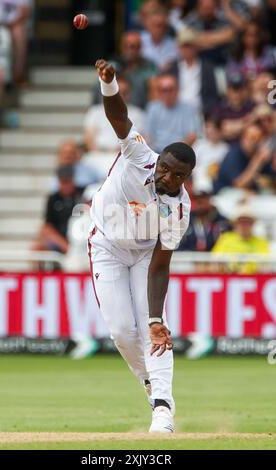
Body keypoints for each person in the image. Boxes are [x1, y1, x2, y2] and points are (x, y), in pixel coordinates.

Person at [89, 59, 196, 433]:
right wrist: (109, 83)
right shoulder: (138, 154)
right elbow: (119, 118)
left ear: (187, 178)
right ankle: (152, 388)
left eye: (177, 175)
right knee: (120, 331)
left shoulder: (179, 209)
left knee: (151, 326)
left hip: (145, 255)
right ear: (160, 159)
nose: (167, 177)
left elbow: (161, 265)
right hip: (106, 246)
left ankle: (163, 408)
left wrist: (154, 319)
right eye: (165, 167)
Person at [32, 165, 84, 256]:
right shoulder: (53, 199)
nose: (66, 186)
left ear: (73, 179)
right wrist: (65, 245)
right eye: (63, 182)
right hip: (60, 240)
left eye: (68, 181)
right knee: (37, 247)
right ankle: (41, 271)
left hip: (81, 238)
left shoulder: (82, 195)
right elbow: (47, 226)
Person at [84, 75, 145, 152]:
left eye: (125, 92)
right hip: (99, 155)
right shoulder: (95, 112)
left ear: (130, 93)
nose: (120, 96)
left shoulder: (138, 114)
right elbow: (89, 138)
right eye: (118, 92)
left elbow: (140, 140)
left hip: (126, 156)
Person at [166, 28, 219, 114]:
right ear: (179, 48)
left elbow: (213, 95)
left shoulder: (207, 68)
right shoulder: (172, 69)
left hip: (200, 112)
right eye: (184, 46)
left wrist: (205, 110)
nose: (187, 49)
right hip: (175, 111)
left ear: (196, 47)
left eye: (189, 45)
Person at [145, 73, 203, 152]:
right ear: (159, 92)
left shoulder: (189, 109)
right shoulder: (152, 108)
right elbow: (147, 134)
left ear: (178, 90)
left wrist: (175, 152)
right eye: (164, 90)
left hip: (179, 152)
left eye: (171, 89)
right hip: (155, 152)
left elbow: (192, 136)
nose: (167, 93)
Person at [213, 124, 276, 193]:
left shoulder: (258, 153)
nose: (254, 142)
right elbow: (238, 184)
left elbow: (271, 175)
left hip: (250, 195)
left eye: (258, 138)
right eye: (251, 138)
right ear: (243, 138)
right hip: (224, 194)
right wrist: (258, 161)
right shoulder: (233, 155)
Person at [212, 205, 269, 273]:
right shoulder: (226, 239)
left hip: (252, 278)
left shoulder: (261, 242)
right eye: (241, 222)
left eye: (247, 222)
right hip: (228, 277)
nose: (244, 226)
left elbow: (264, 265)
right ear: (235, 224)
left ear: (252, 224)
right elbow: (215, 261)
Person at [184, 0, 235, 65]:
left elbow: (229, 35)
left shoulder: (223, 20)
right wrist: (218, 39)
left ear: (215, 7)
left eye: (209, 8)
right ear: (198, 7)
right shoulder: (191, 20)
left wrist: (202, 39)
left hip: (221, 62)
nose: (207, 11)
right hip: (199, 64)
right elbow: (189, 40)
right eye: (204, 8)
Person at [210, 74, 255, 144]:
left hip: (244, 147)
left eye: (240, 89)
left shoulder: (251, 107)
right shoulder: (219, 107)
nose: (237, 93)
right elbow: (217, 131)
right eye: (234, 89)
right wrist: (245, 122)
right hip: (222, 146)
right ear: (228, 91)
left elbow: (252, 131)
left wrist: (229, 126)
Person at [193, 118, 229, 192]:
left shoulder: (226, 149)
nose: (210, 132)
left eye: (213, 130)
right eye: (208, 129)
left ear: (220, 131)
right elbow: (191, 164)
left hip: (216, 183)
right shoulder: (199, 144)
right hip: (196, 179)